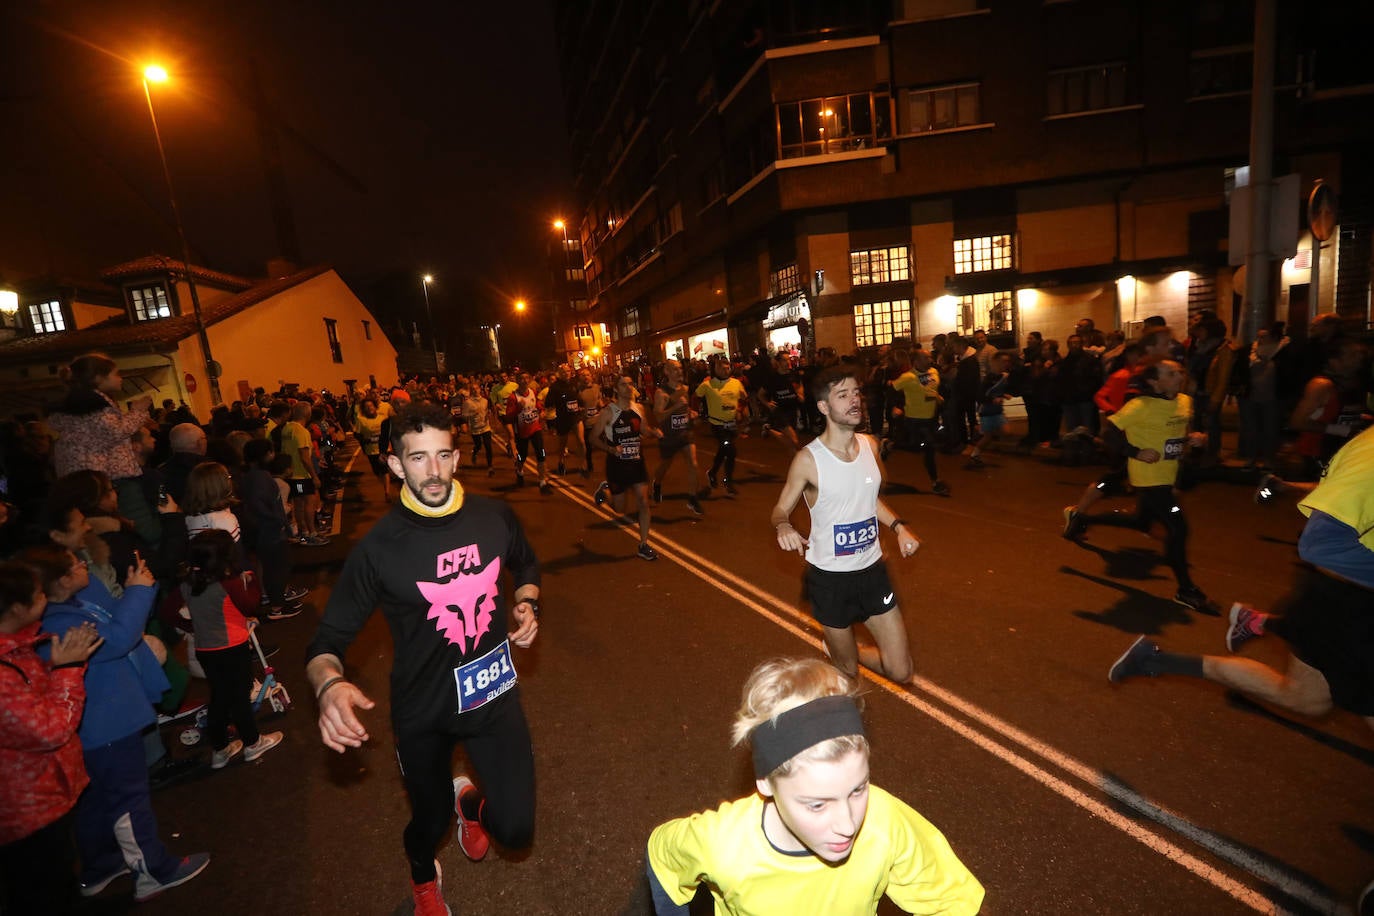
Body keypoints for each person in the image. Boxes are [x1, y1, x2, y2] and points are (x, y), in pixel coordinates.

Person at [304, 402, 541, 916]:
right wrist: (328, 687)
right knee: (427, 826)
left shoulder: (493, 516)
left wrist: (526, 600)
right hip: (424, 711)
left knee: (517, 829)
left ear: (456, 457)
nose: (432, 472)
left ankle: (471, 803)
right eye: (416, 459)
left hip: (493, 697)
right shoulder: (380, 549)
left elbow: (524, 560)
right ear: (395, 465)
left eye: (441, 456)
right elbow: (325, 643)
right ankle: (422, 878)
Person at [646, 657, 984, 915]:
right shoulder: (722, 843)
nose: (848, 824)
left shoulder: (884, 821)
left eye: (858, 789)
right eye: (817, 805)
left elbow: (952, 900)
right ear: (765, 782)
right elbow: (662, 855)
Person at [1109, 426, 1374, 737]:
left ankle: (1156, 659)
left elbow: (1347, 494)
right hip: (1346, 602)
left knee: (1306, 700)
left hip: (1338, 598)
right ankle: (1256, 622)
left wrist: (1289, 487)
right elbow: (1321, 543)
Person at [26, 544, 210, 903]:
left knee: (97, 800)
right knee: (129, 799)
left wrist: (133, 588)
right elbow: (120, 636)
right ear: (60, 581)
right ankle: (153, 871)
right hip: (106, 726)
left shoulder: (69, 606)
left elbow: (115, 617)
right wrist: (139, 591)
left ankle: (101, 867)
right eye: (76, 564)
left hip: (99, 725)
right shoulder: (60, 625)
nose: (84, 563)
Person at [771, 366, 922, 683]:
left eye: (856, 393)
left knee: (902, 671)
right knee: (847, 671)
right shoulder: (808, 460)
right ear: (824, 407)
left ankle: (848, 649)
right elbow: (780, 509)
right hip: (830, 581)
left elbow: (867, 498)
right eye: (843, 395)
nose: (855, 401)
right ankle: (843, 655)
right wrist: (783, 525)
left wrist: (898, 527)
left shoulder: (870, 445)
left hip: (873, 572)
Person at [1063, 361, 1214, 612]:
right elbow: (1110, 434)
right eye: (1171, 373)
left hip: (1170, 474)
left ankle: (1082, 519)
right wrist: (1136, 451)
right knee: (1179, 529)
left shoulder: (1185, 401)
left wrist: (1195, 439)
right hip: (1149, 479)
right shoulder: (1140, 406)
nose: (1179, 375)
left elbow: (1178, 435)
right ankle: (1185, 589)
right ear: (1155, 382)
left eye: (1180, 371)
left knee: (1140, 521)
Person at [0, 561, 103, 915]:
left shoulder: (17, 647)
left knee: (55, 881)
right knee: (40, 892)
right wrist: (68, 670)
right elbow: (50, 730)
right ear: (16, 608)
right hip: (24, 808)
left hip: (40, 795)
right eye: (39, 593)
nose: (45, 597)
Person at [180, 530, 283, 769]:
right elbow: (250, 605)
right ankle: (252, 743)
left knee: (219, 697)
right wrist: (253, 582)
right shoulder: (228, 583)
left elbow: (168, 611)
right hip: (232, 647)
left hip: (206, 649)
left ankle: (220, 749)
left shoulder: (188, 584)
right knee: (239, 699)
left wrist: (192, 626)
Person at [46, 353, 160, 546]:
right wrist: (138, 411)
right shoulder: (94, 406)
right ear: (99, 378)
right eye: (116, 374)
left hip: (90, 479)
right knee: (142, 527)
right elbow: (116, 432)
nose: (120, 378)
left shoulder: (79, 407)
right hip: (108, 477)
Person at [591, 376, 662, 561]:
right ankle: (605, 493)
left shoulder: (638, 408)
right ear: (616, 389)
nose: (628, 387)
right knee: (620, 509)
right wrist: (610, 449)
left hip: (637, 462)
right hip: (617, 465)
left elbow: (643, 430)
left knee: (643, 501)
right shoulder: (609, 412)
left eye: (630, 384)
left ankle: (644, 544)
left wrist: (654, 433)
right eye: (623, 384)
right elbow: (593, 438)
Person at [885, 350, 949, 495]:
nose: (930, 360)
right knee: (923, 447)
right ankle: (936, 482)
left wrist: (937, 396)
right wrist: (897, 406)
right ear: (916, 361)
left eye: (929, 357)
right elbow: (891, 390)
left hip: (931, 418)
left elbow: (930, 388)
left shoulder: (934, 372)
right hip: (914, 419)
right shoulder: (908, 377)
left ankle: (891, 444)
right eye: (926, 358)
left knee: (924, 448)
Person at [650, 359, 704, 516]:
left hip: (685, 434)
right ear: (667, 372)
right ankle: (657, 483)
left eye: (680, 369)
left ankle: (693, 499)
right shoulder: (662, 393)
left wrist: (691, 414)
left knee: (693, 464)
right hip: (669, 437)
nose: (679, 372)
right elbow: (658, 417)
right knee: (665, 465)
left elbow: (685, 408)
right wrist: (674, 408)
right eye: (675, 369)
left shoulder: (685, 389)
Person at [697, 355, 748, 495]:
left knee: (724, 451)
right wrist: (695, 413)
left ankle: (712, 473)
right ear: (716, 369)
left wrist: (739, 410)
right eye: (722, 368)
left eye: (727, 368)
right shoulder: (708, 384)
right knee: (730, 450)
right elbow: (696, 396)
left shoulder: (736, 383)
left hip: (731, 424)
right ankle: (728, 482)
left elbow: (744, 397)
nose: (726, 370)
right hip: (717, 424)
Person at [504, 372, 551, 493]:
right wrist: (518, 408)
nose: (524, 380)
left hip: (535, 429)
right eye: (522, 378)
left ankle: (542, 482)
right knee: (522, 456)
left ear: (530, 379)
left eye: (526, 378)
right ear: (518, 381)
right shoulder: (513, 397)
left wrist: (541, 412)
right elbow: (508, 417)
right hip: (521, 432)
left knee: (541, 454)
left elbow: (538, 406)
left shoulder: (533, 392)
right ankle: (519, 470)